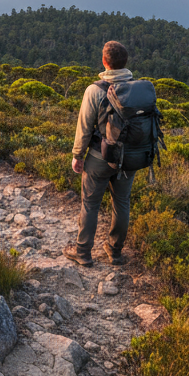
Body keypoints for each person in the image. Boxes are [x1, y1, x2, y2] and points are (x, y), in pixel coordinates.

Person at [63, 40, 157, 268]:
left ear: (105, 62)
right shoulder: (138, 91)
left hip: (100, 158)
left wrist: (77, 155)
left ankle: (83, 252)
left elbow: (84, 127)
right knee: (122, 203)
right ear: (125, 63)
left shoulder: (95, 90)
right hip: (131, 157)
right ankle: (114, 251)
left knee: (90, 204)